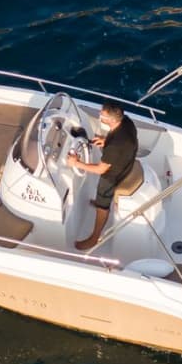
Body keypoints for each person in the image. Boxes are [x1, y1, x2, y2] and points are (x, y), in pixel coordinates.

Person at [69, 100, 138, 252]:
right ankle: (101, 203)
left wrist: (76, 163)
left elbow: (101, 170)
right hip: (127, 163)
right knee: (100, 196)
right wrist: (105, 141)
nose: (100, 117)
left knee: (102, 204)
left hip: (113, 176)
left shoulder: (114, 148)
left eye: (103, 116)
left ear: (112, 120)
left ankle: (94, 237)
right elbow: (120, 142)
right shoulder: (126, 122)